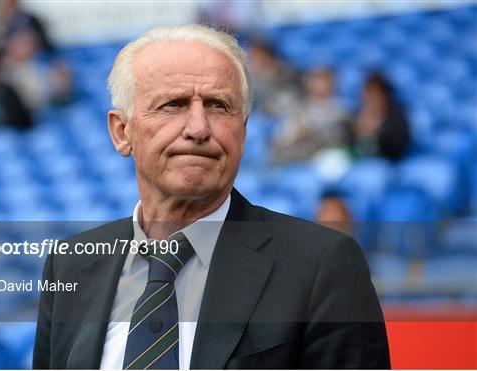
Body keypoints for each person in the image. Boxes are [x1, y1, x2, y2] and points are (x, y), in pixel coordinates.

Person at [33, 25, 390, 369]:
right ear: (121, 132)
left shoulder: (322, 267)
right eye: (172, 104)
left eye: (219, 105)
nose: (199, 128)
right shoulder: (70, 266)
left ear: (244, 131)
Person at [349, 72, 410, 162]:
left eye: (374, 95)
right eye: (367, 95)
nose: (370, 100)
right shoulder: (356, 114)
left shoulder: (397, 117)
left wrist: (377, 132)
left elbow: (398, 146)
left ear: (384, 95)